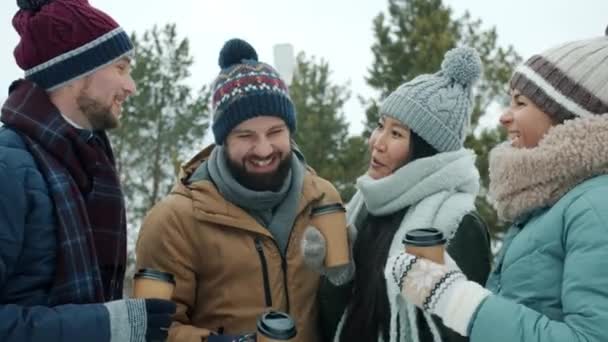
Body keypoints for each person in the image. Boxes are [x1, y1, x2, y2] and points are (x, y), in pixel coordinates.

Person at [391, 31, 608, 342]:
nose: (504, 117)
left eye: (520, 103)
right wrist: (448, 281)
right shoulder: (549, 204)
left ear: (567, 116)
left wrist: (455, 298)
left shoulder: (595, 205)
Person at [135, 38, 343, 342]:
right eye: (245, 136)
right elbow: (150, 329)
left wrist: (345, 279)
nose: (263, 149)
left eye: (275, 132)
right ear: (223, 140)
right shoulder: (172, 222)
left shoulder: (323, 200)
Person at [0, 0, 176, 341]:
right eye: (121, 69)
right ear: (75, 73)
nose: (131, 86)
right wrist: (108, 325)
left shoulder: (88, 162)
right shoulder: (9, 170)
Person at [301, 47, 492, 342]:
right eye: (380, 126)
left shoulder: (457, 225)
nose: (377, 142)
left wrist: (425, 285)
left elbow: (459, 333)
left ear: (426, 152)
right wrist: (338, 276)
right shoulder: (365, 209)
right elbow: (340, 326)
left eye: (397, 134)